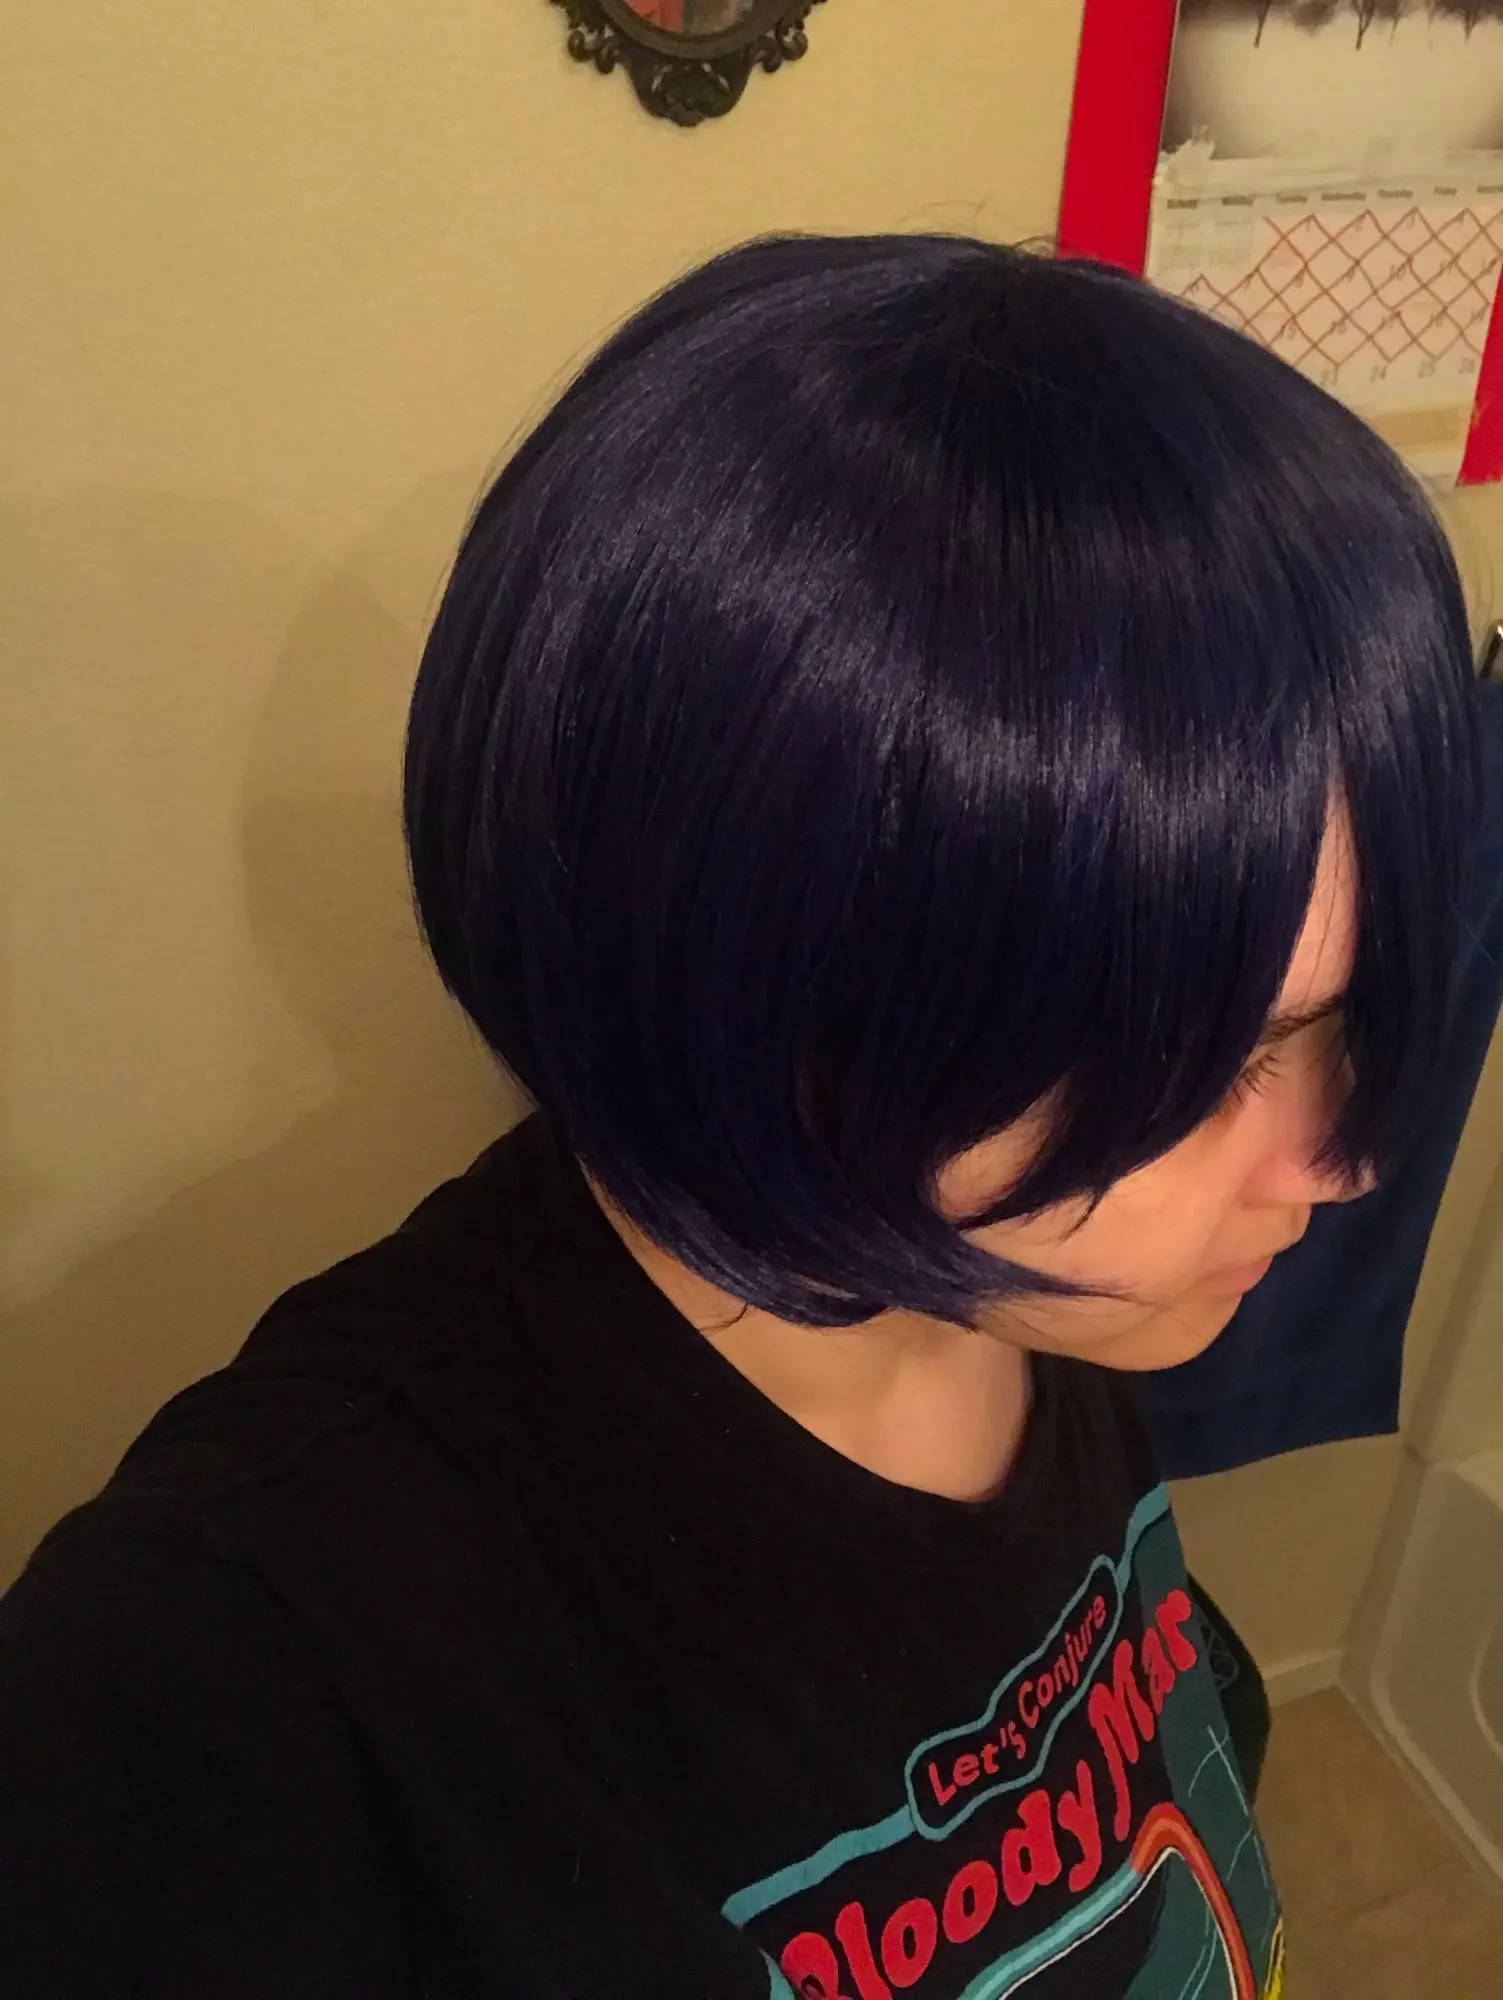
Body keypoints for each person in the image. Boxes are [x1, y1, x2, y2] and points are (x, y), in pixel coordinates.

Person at [0, 234, 1480, 1999]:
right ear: (764, 988)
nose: (1346, 1158)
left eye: (1337, 1018)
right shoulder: (240, 1670)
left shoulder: (1026, 1292)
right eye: (1211, 1056)